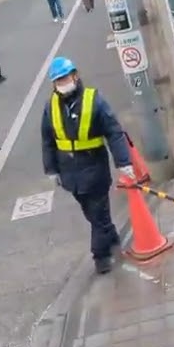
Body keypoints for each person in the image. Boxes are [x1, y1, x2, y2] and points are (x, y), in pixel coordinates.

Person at [40, 57, 134, 274]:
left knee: (98, 212)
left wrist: (123, 162)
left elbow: (113, 131)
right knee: (92, 214)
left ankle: (100, 255)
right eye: (58, 81)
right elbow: (47, 139)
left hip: (94, 168)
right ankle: (111, 236)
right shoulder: (50, 107)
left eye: (65, 78)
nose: (62, 83)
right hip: (70, 174)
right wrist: (51, 169)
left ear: (75, 75)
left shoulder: (94, 100)